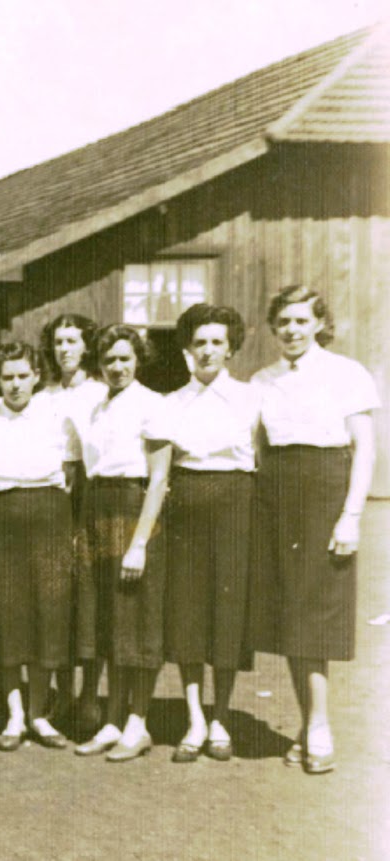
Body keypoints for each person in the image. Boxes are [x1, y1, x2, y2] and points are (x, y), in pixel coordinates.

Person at [251, 285, 378, 775]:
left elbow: (364, 450)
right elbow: (257, 446)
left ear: (320, 324)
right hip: (277, 492)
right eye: (283, 322)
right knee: (289, 611)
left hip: (326, 490)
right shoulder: (262, 379)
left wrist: (351, 515)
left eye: (302, 321)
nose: (292, 331)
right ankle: (311, 724)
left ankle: (320, 725)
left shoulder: (346, 373)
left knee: (315, 610)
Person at [144, 304, 261, 764]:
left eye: (216, 341)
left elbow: (262, 459)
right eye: (199, 341)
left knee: (227, 611)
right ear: (187, 349)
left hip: (236, 504)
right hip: (187, 506)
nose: (208, 350)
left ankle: (221, 717)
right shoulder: (171, 403)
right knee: (189, 610)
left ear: (230, 347)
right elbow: (162, 471)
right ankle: (194, 717)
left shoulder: (253, 398)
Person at [0, 342, 81, 752]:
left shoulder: (57, 415)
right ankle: (14, 714)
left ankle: (38, 712)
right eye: (7, 377)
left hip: (49, 518)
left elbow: (69, 474)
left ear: (36, 375)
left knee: (46, 615)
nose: (15, 385)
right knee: (8, 614)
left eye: (22, 376)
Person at [71, 325, 172, 762]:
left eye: (125, 358)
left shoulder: (154, 404)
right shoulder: (96, 407)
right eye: (109, 359)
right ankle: (113, 720)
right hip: (97, 508)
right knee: (108, 619)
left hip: (134, 510)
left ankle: (138, 722)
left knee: (139, 619)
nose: (117, 367)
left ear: (138, 359)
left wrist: (140, 543)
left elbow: (160, 479)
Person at [38, 313, 108, 731]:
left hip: (90, 491)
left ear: (87, 346)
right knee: (57, 593)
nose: (64, 348)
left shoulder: (101, 393)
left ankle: (89, 695)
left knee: (91, 591)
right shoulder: (43, 394)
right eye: (58, 341)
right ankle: (61, 693)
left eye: (72, 341)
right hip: (53, 494)